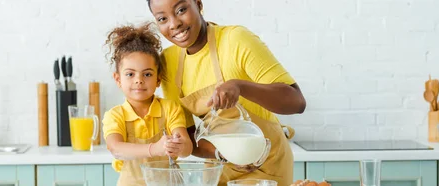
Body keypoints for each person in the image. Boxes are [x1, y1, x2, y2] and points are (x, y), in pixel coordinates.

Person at [146, 0, 307, 185]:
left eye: (181, 10)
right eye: (162, 18)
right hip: (219, 167)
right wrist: (223, 155)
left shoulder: (236, 39)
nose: (174, 24)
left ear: (198, 4)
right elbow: (188, 135)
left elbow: (296, 102)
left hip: (267, 165)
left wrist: (240, 87)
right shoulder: (169, 62)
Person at [102, 22, 194, 186]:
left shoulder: (170, 108)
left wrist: (180, 146)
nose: (139, 80)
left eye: (147, 74)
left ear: (158, 79)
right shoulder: (115, 116)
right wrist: (154, 149)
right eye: (130, 74)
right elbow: (115, 148)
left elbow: (187, 148)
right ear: (118, 79)